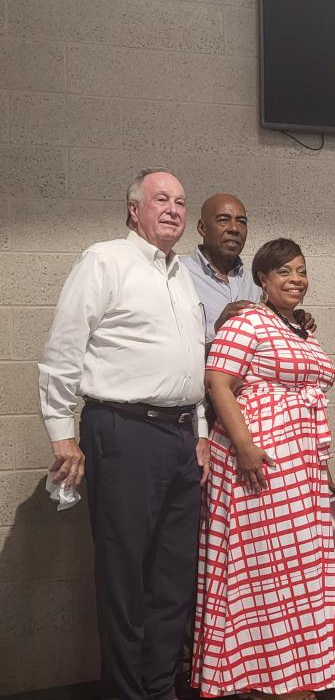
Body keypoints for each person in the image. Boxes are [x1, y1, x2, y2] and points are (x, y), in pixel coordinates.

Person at [38, 168, 208, 700]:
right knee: (125, 577)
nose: (174, 209)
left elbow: (191, 361)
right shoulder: (104, 259)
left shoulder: (181, 273)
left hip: (182, 438)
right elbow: (65, 348)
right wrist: (62, 433)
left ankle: (160, 689)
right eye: (162, 199)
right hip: (123, 431)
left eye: (181, 201)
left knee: (174, 579)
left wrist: (200, 430)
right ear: (134, 209)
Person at [192, 238, 335, 699]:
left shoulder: (302, 328)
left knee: (302, 572)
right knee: (266, 572)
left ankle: (297, 674)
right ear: (262, 278)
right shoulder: (248, 321)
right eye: (284, 272)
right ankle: (261, 677)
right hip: (259, 464)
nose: (295, 279)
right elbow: (217, 380)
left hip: (301, 467)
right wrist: (244, 447)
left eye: (301, 270)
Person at [181, 193, 261, 343]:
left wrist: (293, 322)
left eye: (241, 221)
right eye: (223, 220)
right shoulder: (177, 273)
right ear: (202, 228)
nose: (234, 229)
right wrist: (218, 328)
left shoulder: (256, 282)